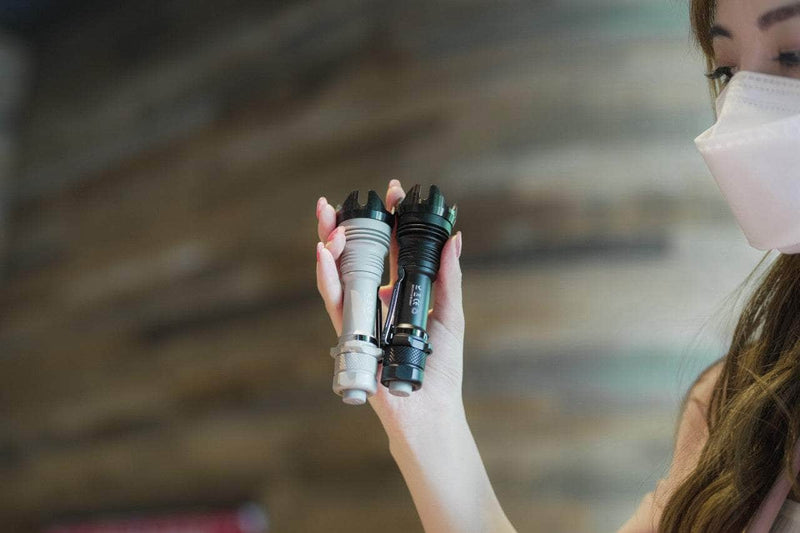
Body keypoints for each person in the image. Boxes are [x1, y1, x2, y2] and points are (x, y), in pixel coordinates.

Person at [315, 0, 800, 530]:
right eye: (727, 71)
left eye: (793, 55)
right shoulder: (738, 407)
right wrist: (426, 416)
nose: (742, 109)